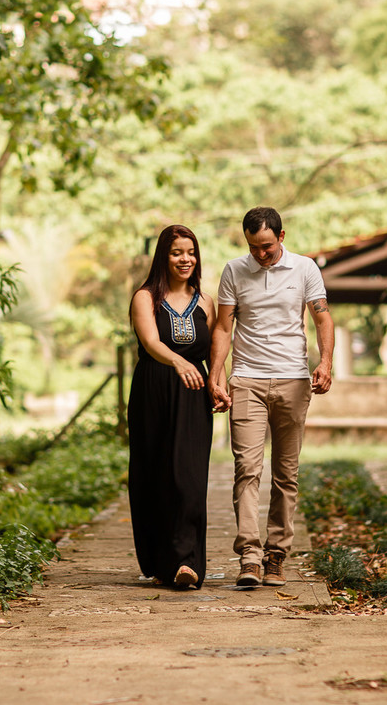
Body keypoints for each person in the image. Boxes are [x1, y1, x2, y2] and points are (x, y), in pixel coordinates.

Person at [208, 206, 334, 588]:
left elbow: (322, 317)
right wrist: (218, 375)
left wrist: (325, 362)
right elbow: (224, 327)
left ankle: (276, 555)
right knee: (247, 469)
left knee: (286, 474)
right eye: (253, 247)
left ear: (281, 236)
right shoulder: (234, 270)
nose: (260, 255)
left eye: (266, 246)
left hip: (294, 381)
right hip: (246, 380)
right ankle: (249, 557)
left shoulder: (305, 268)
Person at [127, 224, 216, 589]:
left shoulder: (206, 302)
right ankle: (162, 561)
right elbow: (150, 342)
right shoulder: (145, 298)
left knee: (189, 477)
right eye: (177, 252)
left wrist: (217, 382)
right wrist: (179, 363)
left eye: (191, 252)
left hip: (194, 395)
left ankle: (187, 562)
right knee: (156, 474)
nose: (185, 259)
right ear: (164, 256)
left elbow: (214, 351)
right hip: (154, 390)